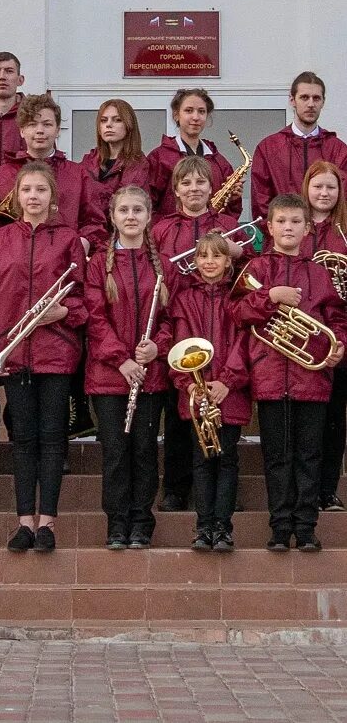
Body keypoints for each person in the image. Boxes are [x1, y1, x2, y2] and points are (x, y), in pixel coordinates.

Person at [0, 162, 87, 552]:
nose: (34, 197)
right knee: (22, 439)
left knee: (53, 438)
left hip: (56, 353)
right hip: (14, 350)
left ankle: (48, 523)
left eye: (41, 190)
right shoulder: (0, 239)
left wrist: (64, 313)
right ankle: (24, 521)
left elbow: (85, 298)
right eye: (27, 190)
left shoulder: (69, 239)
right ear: (16, 196)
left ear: (52, 197)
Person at [229, 193, 347, 552]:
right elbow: (237, 312)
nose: (288, 227)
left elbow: (337, 318)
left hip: (312, 379)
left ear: (307, 228)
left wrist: (338, 345)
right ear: (269, 226)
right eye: (281, 221)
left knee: (310, 455)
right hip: (270, 377)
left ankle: (306, 527)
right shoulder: (259, 270)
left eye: (296, 222)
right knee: (277, 456)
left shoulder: (319, 272)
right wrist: (272, 296)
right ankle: (280, 526)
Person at [151, 156, 249, 514]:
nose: (194, 189)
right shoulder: (162, 228)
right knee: (180, 418)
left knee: (220, 430)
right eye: (186, 183)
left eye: (201, 183)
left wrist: (237, 251)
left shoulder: (227, 224)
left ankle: (221, 497)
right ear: (175, 190)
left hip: (220, 316)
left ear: (213, 188)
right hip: (177, 319)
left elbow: (249, 267)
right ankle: (176, 489)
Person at [84, 185, 176, 550]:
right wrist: (120, 359)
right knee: (116, 452)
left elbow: (172, 318)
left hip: (150, 376)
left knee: (144, 450)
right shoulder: (97, 266)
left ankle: (141, 521)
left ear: (149, 216)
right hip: (109, 377)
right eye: (124, 211)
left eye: (138, 210)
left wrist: (158, 346)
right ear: (113, 217)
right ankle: (117, 522)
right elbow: (94, 318)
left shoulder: (163, 266)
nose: (131, 217)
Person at [167, 233, 252, 552]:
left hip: (229, 391)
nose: (209, 262)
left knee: (226, 459)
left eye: (217, 256)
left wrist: (228, 381)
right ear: (196, 261)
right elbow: (180, 343)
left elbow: (245, 342)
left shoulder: (239, 297)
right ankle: (203, 527)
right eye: (203, 256)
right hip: (197, 392)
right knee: (202, 459)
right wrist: (189, 383)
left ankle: (223, 528)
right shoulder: (185, 299)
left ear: (229, 261)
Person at [0, 93, 106, 253]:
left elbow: (94, 221)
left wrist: (84, 241)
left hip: (64, 259)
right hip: (18, 261)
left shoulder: (78, 174)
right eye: (32, 124)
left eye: (47, 124)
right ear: (21, 131)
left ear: (57, 130)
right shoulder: (4, 174)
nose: (40, 131)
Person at [300, 161, 347, 512]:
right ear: (307, 189)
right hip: (303, 334)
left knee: (333, 418)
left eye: (330, 187)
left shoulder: (344, 232)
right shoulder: (295, 228)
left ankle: (327, 490)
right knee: (305, 421)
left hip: (340, 334)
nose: (324, 193)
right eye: (318, 187)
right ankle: (303, 491)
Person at [251, 71, 347, 222]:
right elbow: (261, 202)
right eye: (304, 97)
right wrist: (280, 233)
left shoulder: (339, 150)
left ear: (323, 101)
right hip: (284, 239)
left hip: (328, 239)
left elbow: (344, 199)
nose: (310, 104)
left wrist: (328, 232)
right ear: (292, 100)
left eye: (316, 98)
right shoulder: (268, 148)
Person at [147, 88, 240, 222]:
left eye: (201, 111)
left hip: (212, 237)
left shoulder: (219, 161)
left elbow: (230, 213)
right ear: (176, 115)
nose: (195, 117)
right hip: (172, 237)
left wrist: (234, 199)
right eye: (188, 110)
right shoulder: (159, 158)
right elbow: (148, 206)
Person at [80, 99, 156, 227]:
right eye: (103, 120)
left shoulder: (138, 164)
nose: (109, 125)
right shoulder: (88, 161)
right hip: (90, 233)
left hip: (121, 235)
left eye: (117, 120)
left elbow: (123, 202)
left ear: (129, 125)